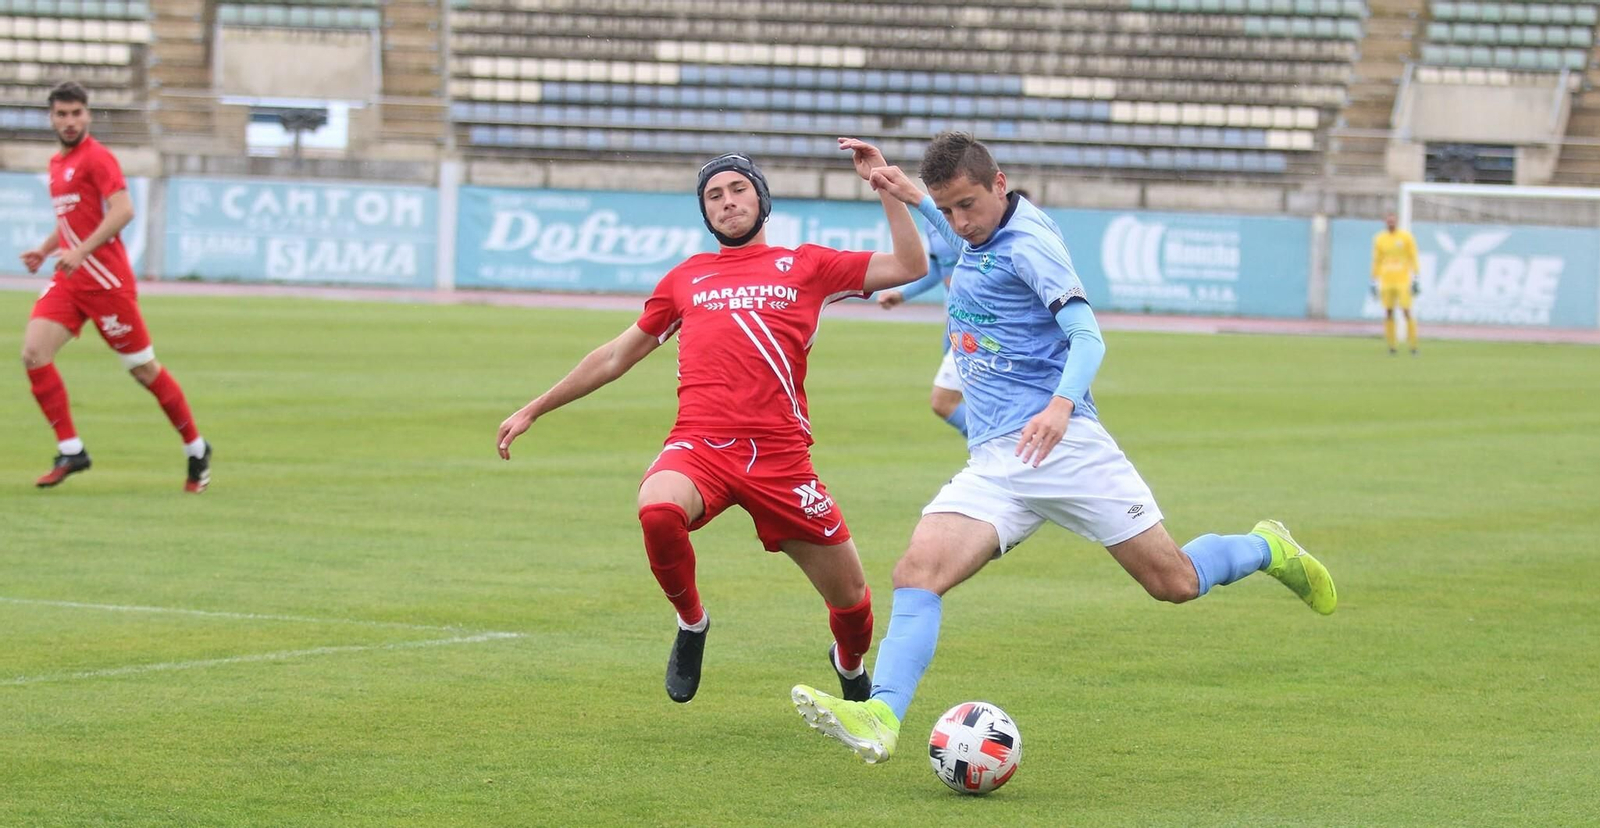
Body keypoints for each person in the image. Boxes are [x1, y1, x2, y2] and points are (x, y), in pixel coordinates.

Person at [790, 132, 1337, 764]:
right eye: (948, 211)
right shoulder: (978, 227)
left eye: (967, 205)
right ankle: (882, 715)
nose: (959, 223)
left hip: (1064, 449)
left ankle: (1269, 545)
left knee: (1174, 582)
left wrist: (1059, 406)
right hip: (998, 458)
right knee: (917, 571)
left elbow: (1088, 337)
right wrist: (900, 187)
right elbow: (945, 224)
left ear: (1000, 184)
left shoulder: (1031, 246)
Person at [496, 141, 928, 704]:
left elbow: (911, 267)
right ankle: (692, 623)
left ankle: (847, 666)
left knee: (852, 604)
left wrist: (888, 191)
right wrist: (534, 407)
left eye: (738, 189)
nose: (727, 202)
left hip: (781, 459)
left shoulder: (808, 266)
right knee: (657, 510)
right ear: (705, 213)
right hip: (701, 448)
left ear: (762, 198)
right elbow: (614, 356)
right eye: (714, 196)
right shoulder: (687, 279)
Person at [19, 81, 211, 492]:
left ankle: (196, 449)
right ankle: (71, 449)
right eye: (61, 114)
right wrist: (45, 248)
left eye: (76, 113)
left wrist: (81, 251)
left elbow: (124, 210)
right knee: (34, 353)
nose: (69, 122)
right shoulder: (58, 164)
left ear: (87, 115)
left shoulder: (97, 158)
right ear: (51, 118)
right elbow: (73, 220)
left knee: (143, 371)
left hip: (107, 284)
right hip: (70, 281)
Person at [877, 189, 1032, 438]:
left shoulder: (980, 224)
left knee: (944, 401)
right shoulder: (932, 223)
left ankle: (1002, 447)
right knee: (971, 401)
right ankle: (1002, 448)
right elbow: (938, 270)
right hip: (955, 320)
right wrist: (903, 294)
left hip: (982, 325)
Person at [1372, 212, 1420, 356]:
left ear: (1397, 221)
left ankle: (1413, 346)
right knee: (1388, 312)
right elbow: (1377, 260)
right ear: (1385, 222)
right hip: (1386, 280)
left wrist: (1416, 276)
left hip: (1403, 280)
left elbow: (1413, 256)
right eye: (1389, 221)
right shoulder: (1380, 239)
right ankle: (1392, 347)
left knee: (1406, 311)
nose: (1391, 223)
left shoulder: (1406, 237)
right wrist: (1374, 280)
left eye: (1393, 221)